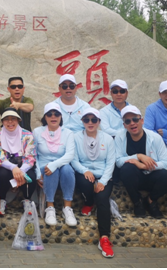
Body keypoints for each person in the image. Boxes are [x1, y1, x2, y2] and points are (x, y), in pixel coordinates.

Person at [71, 107, 115, 258]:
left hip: (103, 175)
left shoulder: (107, 138)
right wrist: (85, 170)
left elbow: (111, 162)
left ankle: (104, 238)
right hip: (85, 172)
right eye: (86, 120)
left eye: (94, 120)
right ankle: (89, 202)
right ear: (82, 121)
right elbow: (74, 159)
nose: (90, 123)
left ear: (99, 122)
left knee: (103, 199)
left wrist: (102, 181)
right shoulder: (76, 137)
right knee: (85, 182)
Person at [115, 105, 167, 219]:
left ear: (142, 121)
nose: (132, 123)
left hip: (152, 175)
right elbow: (118, 161)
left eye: (135, 119)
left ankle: (151, 200)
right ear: (124, 125)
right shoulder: (120, 137)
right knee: (127, 168)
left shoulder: (155, 138)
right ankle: (137, 202)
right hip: (134, 178)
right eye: (128, 121)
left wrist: (145, 166)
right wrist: (138, 156)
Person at [33, 102, 77, 227]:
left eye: (56, 114)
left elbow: (70, 154)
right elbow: (33, 155)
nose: (53, 117)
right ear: (45, 117)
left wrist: (54, 164)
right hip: (44, 167)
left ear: (61, 117)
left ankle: (67, 208)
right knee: (50, 170)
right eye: (49, 114)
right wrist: (37, 174)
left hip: (62, 165)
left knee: (67, 169)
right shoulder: (37, 132)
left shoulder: (68, 133)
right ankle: (50, 207)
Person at [0, 109, 37, 215]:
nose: (10, 122)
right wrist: (13, 168)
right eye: (6, 119)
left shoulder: (28, 135)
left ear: (18, 120)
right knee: (1, 174)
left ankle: (27, 200)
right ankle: (2, 200)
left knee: (31, 177)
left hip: (23, 166)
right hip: (6, 167)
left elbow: (30, 157)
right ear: (2, 122)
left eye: (13, 119)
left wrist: (21, 171)